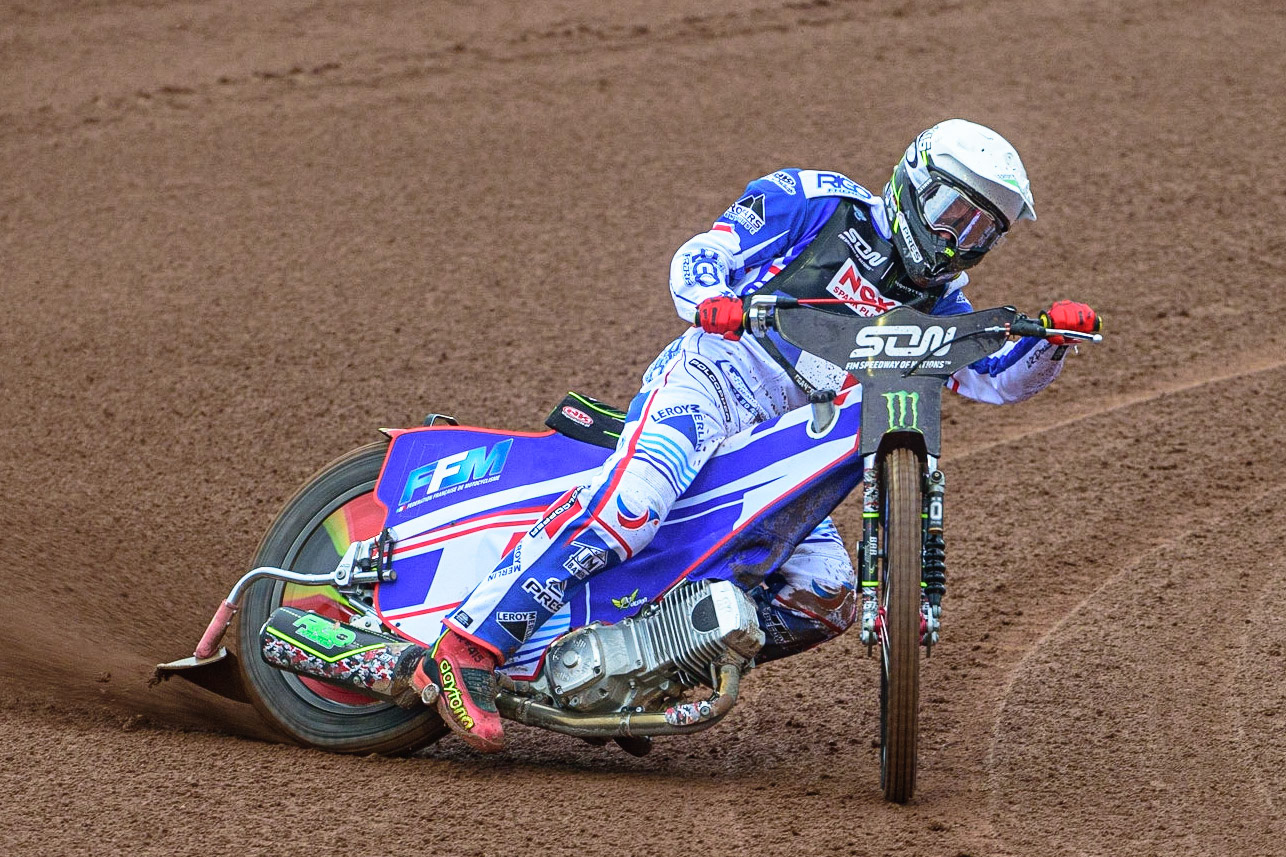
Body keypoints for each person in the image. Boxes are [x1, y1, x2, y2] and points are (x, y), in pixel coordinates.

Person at [413, 119, 1100, 751]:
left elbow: (995, 380)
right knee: (634, 506)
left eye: (983, 233)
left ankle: (649, 669)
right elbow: (702, 253)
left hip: (787, 436)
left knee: (829, 590)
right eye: (957, 215)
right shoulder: (820, 202)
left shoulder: (939, 307)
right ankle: (467, 647)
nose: (961, 241)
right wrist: (713, 298)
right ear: (914, 184)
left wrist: (1054, 343)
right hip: (712, 382)